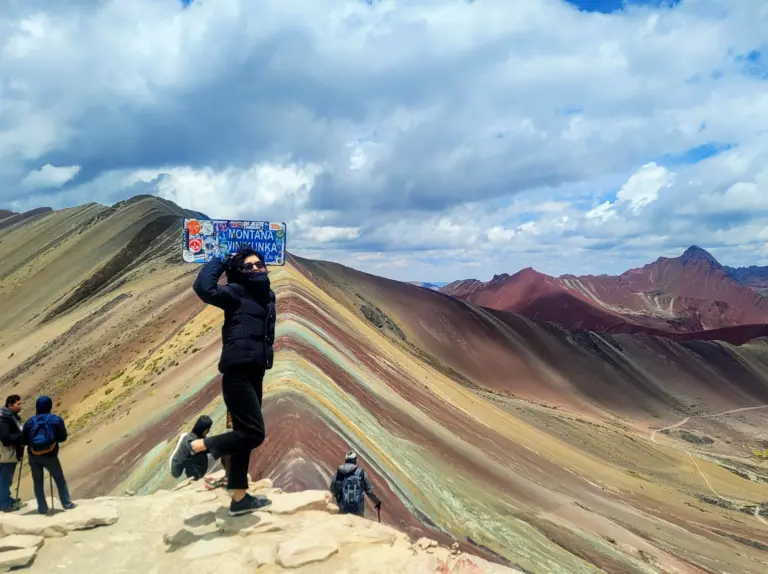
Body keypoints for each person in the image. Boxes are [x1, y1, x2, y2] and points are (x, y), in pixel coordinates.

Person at [170, 247, 276, 516]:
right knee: (254, 433)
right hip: (237, 373)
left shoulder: (268, 296)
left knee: (243, 438)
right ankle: (194, 446)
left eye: (259, 265)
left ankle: (239, 499)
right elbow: (204, 288)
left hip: (256, 373)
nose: (255, 269)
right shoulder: (235, 293)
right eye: (248, 266)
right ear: (239, 272)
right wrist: (219, 260)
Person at [21, 396, 76, 514]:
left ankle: (42, 508)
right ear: (49, 406)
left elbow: (23, 440)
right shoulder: (55, 420)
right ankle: (67, 504)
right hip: (50, 455)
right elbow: (63, 437)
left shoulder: (30, 422)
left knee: (38, 482)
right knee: (59, 479)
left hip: (33, 456)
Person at [179, 415, 231, 487]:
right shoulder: (194, 441)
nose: (207, 432)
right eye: (207, 430)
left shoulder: (195, 436)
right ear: (203, 429)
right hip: (197, 474)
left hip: (200, 469)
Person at [330, 451, 382, 517]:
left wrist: (339, 496)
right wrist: (377, 501)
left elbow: (332, 489)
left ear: (346, 460)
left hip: (342, 508)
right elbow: (370, 492)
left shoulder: (339, 472)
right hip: (358, 509)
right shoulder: (361, 473)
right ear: (355, 460)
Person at [0, 395, 24, 512]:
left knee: (4, 478)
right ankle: (5, 504)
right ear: (10, 405)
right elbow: (5, 438)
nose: (20, 406)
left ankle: (6, 499)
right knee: (5, 479)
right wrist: (20, 436)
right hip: (8, 453)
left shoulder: (8, 416)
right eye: (18, 404)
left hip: (7, 453)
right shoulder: (5, 418)